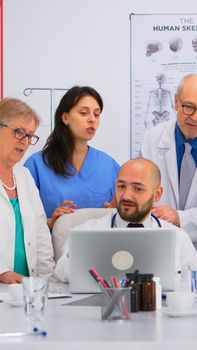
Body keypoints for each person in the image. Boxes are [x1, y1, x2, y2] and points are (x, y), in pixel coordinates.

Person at [55, 158, 197, 282]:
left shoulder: (178, 237)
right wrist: (91, 259)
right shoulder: (86, 232)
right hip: (101, 309)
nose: (127, 196)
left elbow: (193, 283)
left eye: (138, 188)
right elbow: (61, 270)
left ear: (157, 195)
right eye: (121, 186)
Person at [25, 86, 120, 229]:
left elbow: (128, 211)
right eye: (83, 113)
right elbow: (20, 220)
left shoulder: (109, 165)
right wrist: (51, 222)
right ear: (65, 117)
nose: (92, 119)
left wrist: (117, 213)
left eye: (97, 114)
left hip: (100, 248)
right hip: (52, 248)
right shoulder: (37, 165)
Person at [0, 98, 55, 284]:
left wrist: (47, 282)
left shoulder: (24, 176)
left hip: (27, 289)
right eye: (19, 132)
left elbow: (41, 234)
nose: (25, 141)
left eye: (30, 135)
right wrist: (1, 272)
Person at [141, 74, 197, 247]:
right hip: (160, 242)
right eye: (189, 107)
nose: (195, 117)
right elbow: (143, 193)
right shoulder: (153, 138)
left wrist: (180, 218)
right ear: (176, 101)